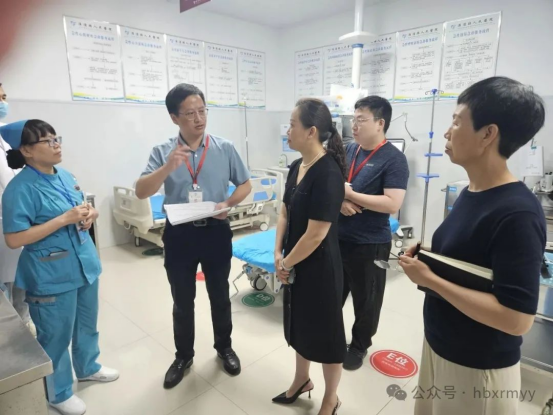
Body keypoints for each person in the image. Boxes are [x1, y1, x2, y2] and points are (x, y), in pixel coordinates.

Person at [399, 76, 546, 415]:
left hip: (478, 367)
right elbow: (473, 259)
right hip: (442, 344)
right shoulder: (472, 191)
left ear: (487, 134)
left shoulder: (518, 213)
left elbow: (517, 319)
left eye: (456, 121)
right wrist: (430, 259)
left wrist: (429, 279)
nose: (447, 132)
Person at [135, 83, 252, 388]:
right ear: (174, 117)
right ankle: (183, 356)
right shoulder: (162, 151)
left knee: (219, 295)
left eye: (202, 111)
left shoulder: (224, 148)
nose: (199, 118)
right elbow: (141, 191)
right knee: (182, 300)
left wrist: (228, 203)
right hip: (179, 235)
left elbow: (245, 185)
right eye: (190, 113)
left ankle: (224, 348)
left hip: (215, 231)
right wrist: (167, 167)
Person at [1, 120, 119, 415]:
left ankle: (88, 367)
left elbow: (81, 207)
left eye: (57, 139)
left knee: (86, 324)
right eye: (48, 141)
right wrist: (64, 219)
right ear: (27, 150)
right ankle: (59, 392)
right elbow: (14, 239)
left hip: (84, 265)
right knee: (55, 335)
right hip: (50, 274)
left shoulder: (66, 175)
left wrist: (90, 214)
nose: (57, 145)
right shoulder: (19, 189)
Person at [273, 98, 346, 415]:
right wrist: (278, 252)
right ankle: (302, 380)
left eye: (292, 125)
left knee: (327, 335)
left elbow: (317, 234)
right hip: (294, 262)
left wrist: (286, 263)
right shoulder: (296, 167)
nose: (287, 131)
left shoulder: (328, 173)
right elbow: (284, 212)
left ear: (311, 131)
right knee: (299, 325)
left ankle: (331, 397)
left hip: (319, 267)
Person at [339, 96, 409, 370]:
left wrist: (351, 195)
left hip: (369, 243)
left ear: (380, 123)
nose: (354, 125)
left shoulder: (394, 159)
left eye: (361, 120)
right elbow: (334, 183)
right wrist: (341, 200)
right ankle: (331, 336)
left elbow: (392, 204)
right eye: (353, 119)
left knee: (366, 300)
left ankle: (359, 346)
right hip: (337, 237)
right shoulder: (348, 150)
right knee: (333, 293)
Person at [0, 83, 36, 334]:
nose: (3, 102)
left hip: (18, 218)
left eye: (4, 96)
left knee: (19, 278)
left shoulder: (8, 135)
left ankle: (22, 323)